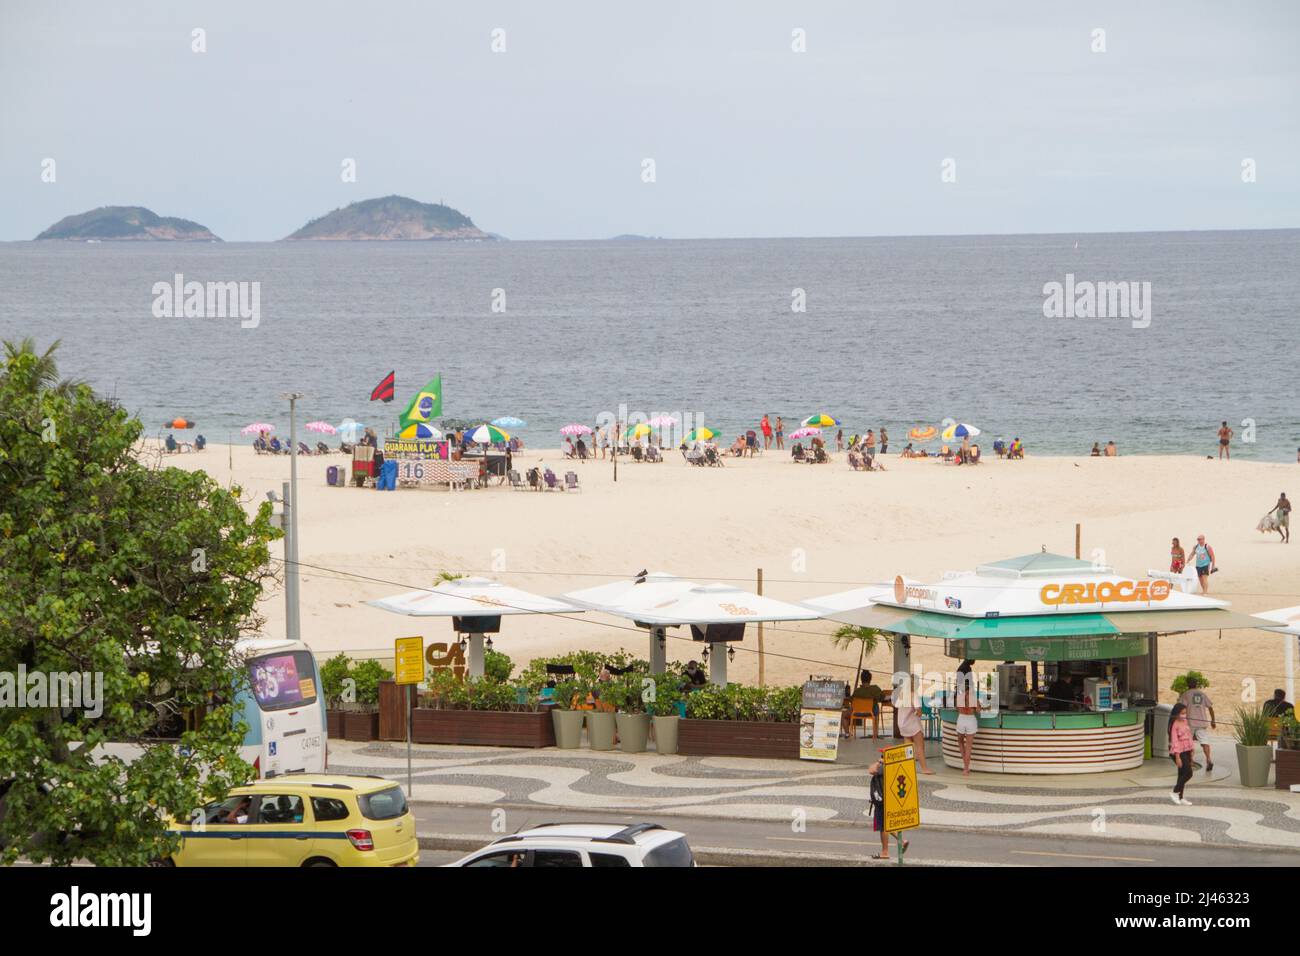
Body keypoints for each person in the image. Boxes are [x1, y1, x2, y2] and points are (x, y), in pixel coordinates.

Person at [867, 758, 907, 860]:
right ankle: (902, 841)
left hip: (882, 801)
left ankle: (885, 852)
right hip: (888, 799)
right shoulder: (893, 767)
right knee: (886, 824)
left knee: (883, 827)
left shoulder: (883, 767)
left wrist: (879, 762)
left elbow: (871, 770)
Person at [892, 677, 933, 774]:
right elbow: (918, 711)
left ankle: (907, 768)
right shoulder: (913, 695)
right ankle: (924, 769)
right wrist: (919, 712)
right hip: (913, 725)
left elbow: (897, 706)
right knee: (920, 747)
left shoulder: (901, 695)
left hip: (902, 725)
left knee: (908, 748)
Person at [1178, 676, 1216, 772]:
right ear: (1196, 684)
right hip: (1202, 722)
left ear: (1188, 684)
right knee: (1204, 742)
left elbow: (1180, 708)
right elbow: (1210, 707)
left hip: (1190, 723)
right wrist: (1213, 720)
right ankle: (1208, 759)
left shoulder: (1186, 694)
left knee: (1188, 742)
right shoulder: (1202, 694)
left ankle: (1190, 761)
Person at [954, 660, 980, 776]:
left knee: (960, 742)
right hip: (970, 720)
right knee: (969, 746)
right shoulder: (973, 696)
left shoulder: (959, 696)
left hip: (961, 719)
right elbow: (978, 710)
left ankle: (964, 763)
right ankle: (966, 768)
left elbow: (957, 709)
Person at [1168, 703, 1195, 805]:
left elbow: (1189, 735)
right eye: (1182, 713)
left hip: (1187, 749)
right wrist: (1177, 757)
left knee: (1182, 774)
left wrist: (1192, 750)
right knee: (1189, 773)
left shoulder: (1185, 721)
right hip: (1179, 751)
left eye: (1185, 712)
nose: (1184, 715)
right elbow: (1175, 741)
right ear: (1177, 713)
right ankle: (1175, 791)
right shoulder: (1174, 724)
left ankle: (1180, 797)